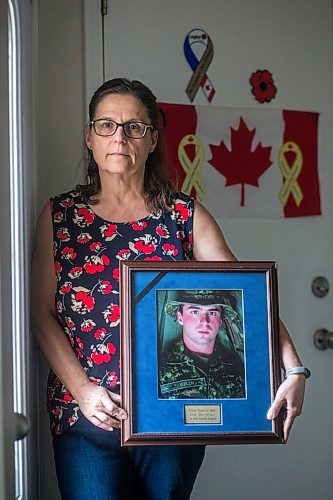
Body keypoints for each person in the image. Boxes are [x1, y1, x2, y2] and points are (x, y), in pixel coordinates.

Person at [32, 77, 308, 500]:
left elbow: (248, 297)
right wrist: (83, 391)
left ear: (152, 139)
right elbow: (41, 312)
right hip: (85, 417)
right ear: (90, 137)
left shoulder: (183, 215)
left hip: (172, 417)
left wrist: (293, 369)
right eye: (106, 125)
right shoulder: (60, 216)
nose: (119, 137)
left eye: (134, 127)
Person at [159, 289, 245, 399]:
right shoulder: (159, 370)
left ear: (220, 321)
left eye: (212, 313)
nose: (204, 321)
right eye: (195, 312)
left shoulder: (237, 369)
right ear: (180, 318)